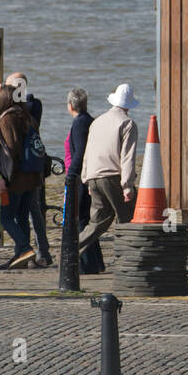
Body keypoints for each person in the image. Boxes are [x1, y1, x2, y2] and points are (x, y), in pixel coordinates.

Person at [0, 71, 52, 267]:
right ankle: (22, 256)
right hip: (32, 175)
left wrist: (5, 178)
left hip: (17, 178)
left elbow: (10, 150)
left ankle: (25, 248)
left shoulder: (9, 117)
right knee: (21, 215)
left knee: (6, 217)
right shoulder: (26, 113)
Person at [78, 83, 139, 255]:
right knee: (126, 220)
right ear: (129, 105)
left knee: (97, 222)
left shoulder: (97, 122)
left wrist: (87, 180)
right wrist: (127, 186)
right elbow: (128, 157)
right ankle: (124, 258)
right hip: (113, 177)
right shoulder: (128, 123)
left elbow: (88, 153)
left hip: (93, 177)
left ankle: (71, 250)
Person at [65, 87, 105, 274]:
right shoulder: (90, 120)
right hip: (88, 176)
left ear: (71, 105)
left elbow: (80, 151)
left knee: (81, 220)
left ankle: (87, 264)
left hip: (81, 178)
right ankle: (95, 263)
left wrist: (71, 174)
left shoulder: (80, 123)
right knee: (87, 220)